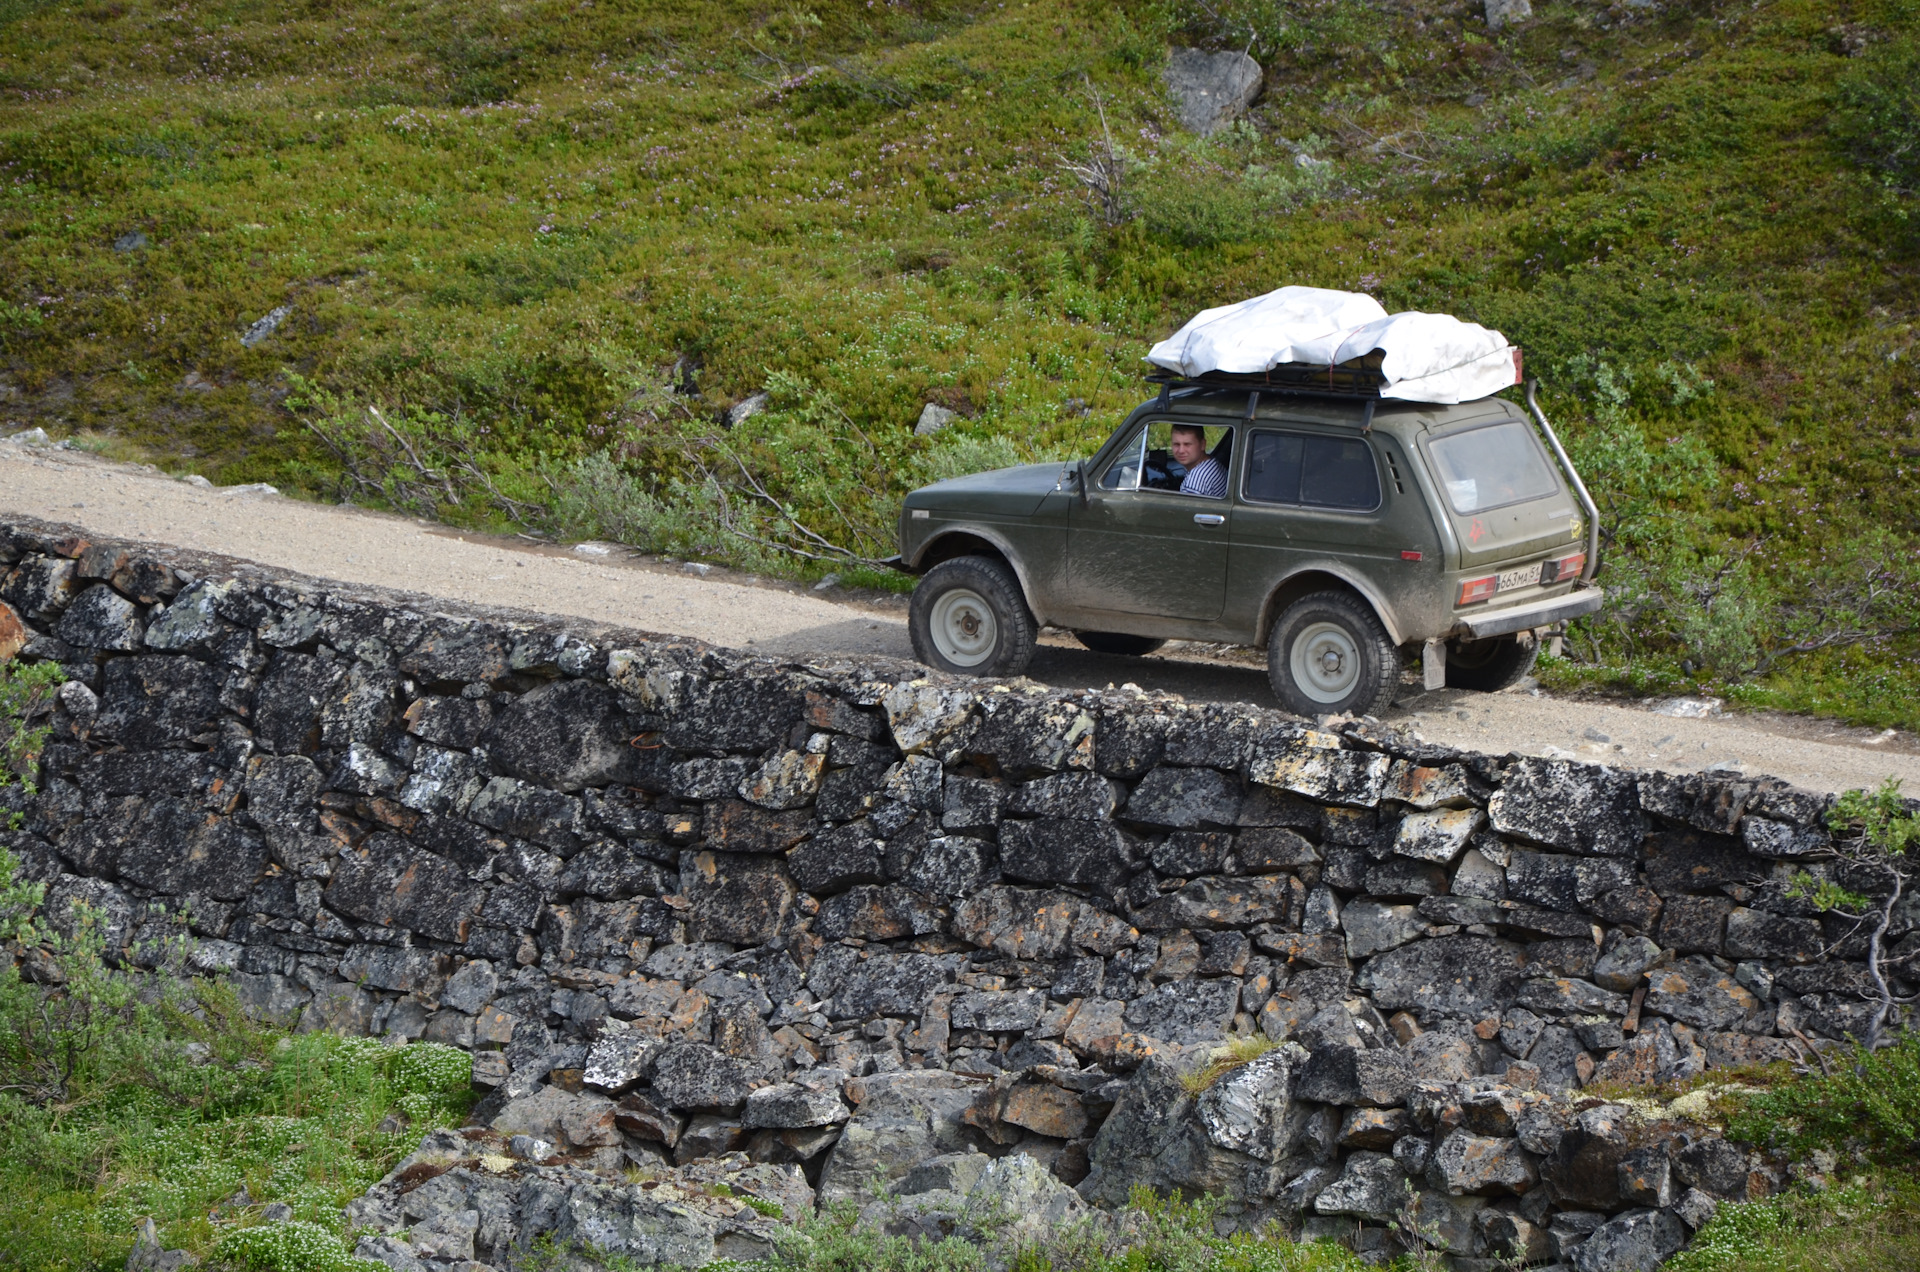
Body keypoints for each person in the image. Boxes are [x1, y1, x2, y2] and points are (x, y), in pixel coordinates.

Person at [1170, 425, 1226, 497]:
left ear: (1203, 444)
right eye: (1176, 444)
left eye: (1187, 444)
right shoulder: (1213, 463)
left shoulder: (1193, 485)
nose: (1181, 451)